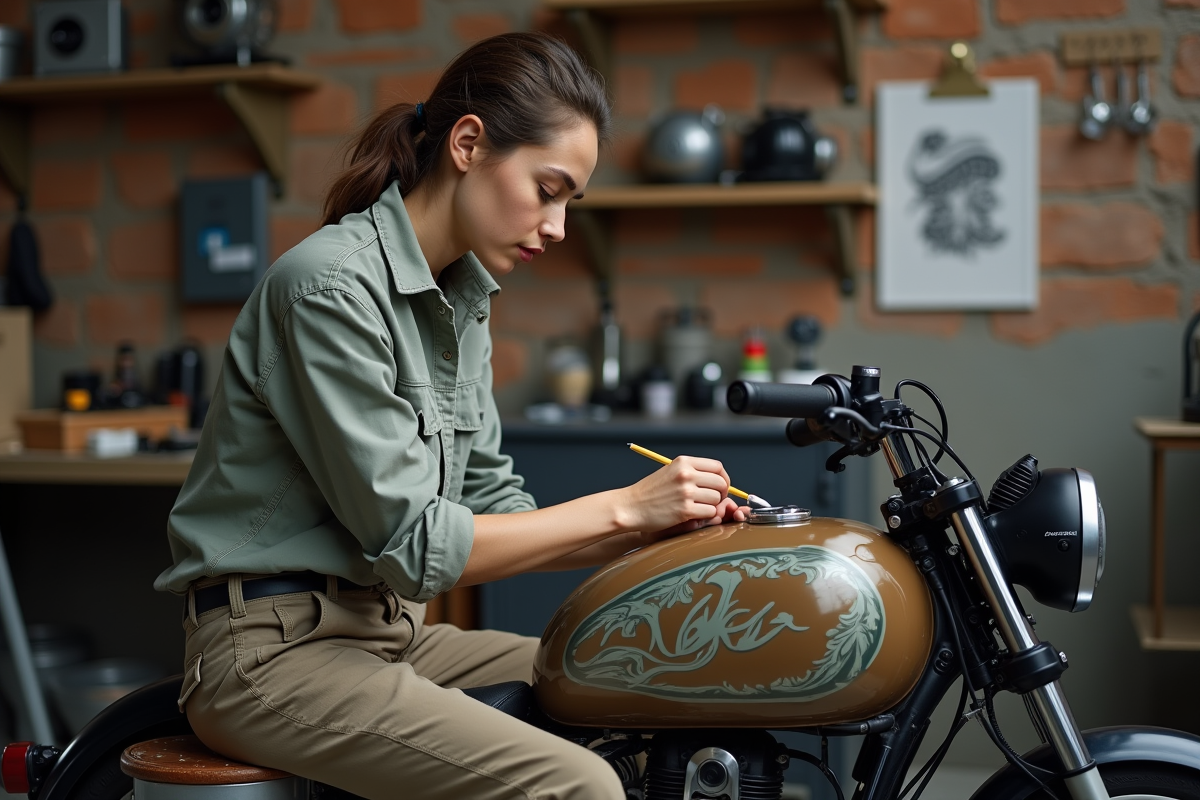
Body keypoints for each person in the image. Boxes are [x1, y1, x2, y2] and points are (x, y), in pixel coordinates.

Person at [155, 32, 745, 800]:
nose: (560, 226)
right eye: (549, 188)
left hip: (388, 636)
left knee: (627, 688)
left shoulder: (461, 299)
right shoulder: (330, 289)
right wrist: (626, 506)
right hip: (273, 656)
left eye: (572, 200)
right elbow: (415, 545)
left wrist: (651, 531)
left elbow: (493, 501)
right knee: (581, 787)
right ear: (469, 144)